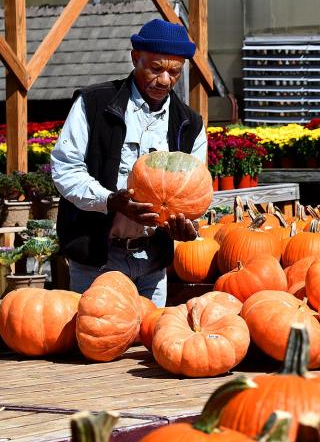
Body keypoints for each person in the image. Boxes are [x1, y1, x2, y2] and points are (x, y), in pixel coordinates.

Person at [51, 18, 208, 306]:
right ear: (136, 58)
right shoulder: (93, 104)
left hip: (152, 262)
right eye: (156, 68)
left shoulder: (190, 124)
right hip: (97, 259)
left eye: (175, 72)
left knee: (147, 343)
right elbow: (65, 169)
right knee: (98, 339)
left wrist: (186, 226)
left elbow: (194, 189)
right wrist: (112, 201)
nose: (165, 80)